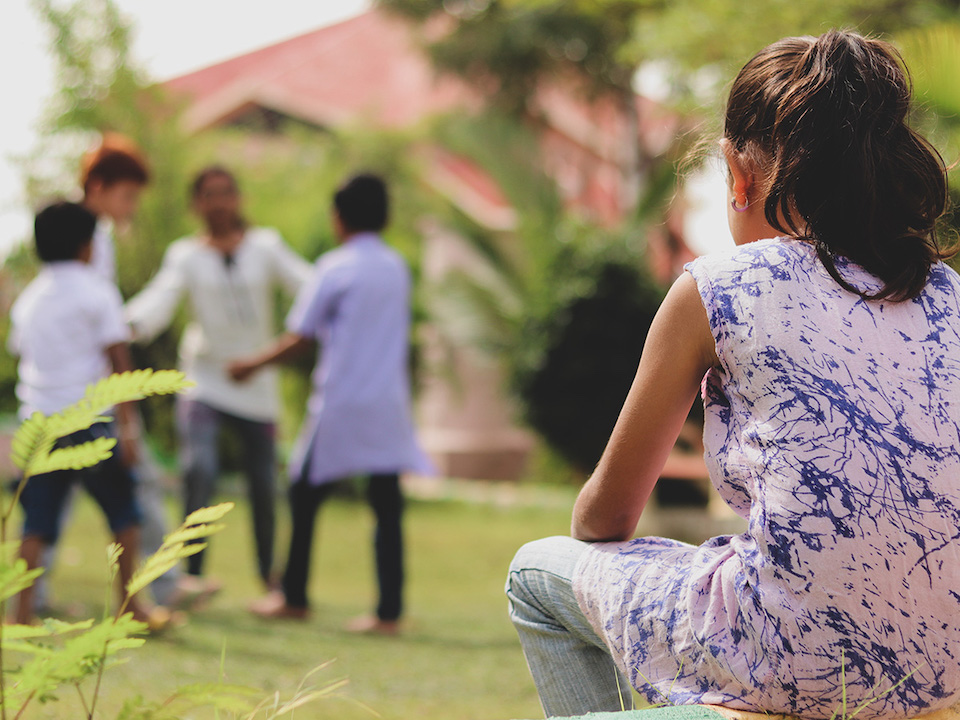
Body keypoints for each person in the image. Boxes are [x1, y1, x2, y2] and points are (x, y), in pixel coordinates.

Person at [506, 30, 960, 720]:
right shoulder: (946, 295)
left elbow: (606, 518)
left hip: (786, 655)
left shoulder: (719, 287)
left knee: (535, 573)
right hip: (943, 668)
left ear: (738, 174)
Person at [229, 173, 434, 634]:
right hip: (385, 403)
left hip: (341, 401)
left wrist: (251, 365)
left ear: (339, 218)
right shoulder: (396, 267)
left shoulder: (334, 267)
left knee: (304, 493)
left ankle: (294, 596)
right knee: (385, 503)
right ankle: (389, 611)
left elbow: (302, 336)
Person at [125, 166, 311, 594]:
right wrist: (124, 324)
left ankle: (269, 577)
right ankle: (191, 576)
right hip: (205, 379)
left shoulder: (266, 246)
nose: (219, 203)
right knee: (199, 469)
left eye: (226, 193)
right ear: (196, 203)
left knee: (264, 484)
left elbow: (311, 287)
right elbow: (160, 299)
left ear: (239, 198)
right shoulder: (186, 255)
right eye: (209, 194)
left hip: (258, 380)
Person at [7, 202, 160, 627]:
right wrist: (128, 427)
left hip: (40, 422)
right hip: (90, 420)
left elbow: (20, 351)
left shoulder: (30, 298)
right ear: (85, 245)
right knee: (123, 514)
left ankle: (19, 613)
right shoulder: (98, 292)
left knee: (36, 520)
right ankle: (131, 606)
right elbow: (119, 361)